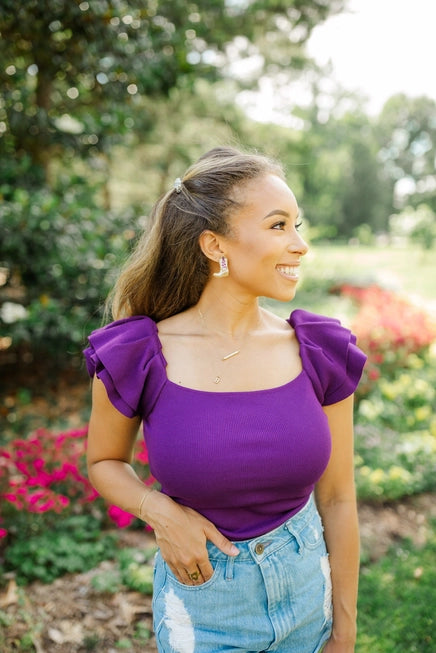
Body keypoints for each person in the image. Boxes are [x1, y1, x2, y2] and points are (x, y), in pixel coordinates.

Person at [84, 145, 366, 653]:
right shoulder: (139, 354)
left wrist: (343, 631)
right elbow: (104, 460)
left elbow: (339, 498)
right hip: (204, 609)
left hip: (308, 600)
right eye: (279, 225)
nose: (299, 245)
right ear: (216, 245)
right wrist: (160, 512)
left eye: (297, 225)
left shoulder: (320, 351)